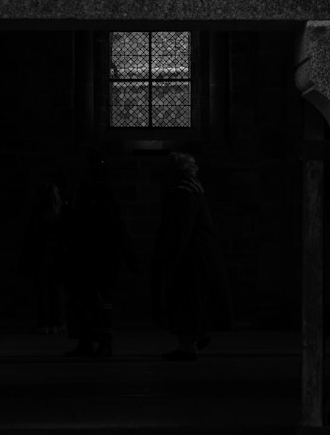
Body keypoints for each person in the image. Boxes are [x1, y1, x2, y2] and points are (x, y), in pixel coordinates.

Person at [153, 150, 233, 360]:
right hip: (196, 254)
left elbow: (180, 229)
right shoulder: (192, 190)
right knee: (193, 300)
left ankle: (188, 344)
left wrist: (170, 258)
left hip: (190, 257)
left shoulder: (183, 192)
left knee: (186, 300)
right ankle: (194, 337)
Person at [60, 149, 138, 359]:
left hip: (100, 257)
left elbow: (112, 225)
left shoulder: (102, 192)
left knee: (101, 302)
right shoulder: (84, 191)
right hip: (84, 255)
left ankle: (105, 342)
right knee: (82, 301)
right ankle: (85, 342)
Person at [19, 176, 66, 333]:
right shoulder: (61, 212)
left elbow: (32, 234)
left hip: (41, 254)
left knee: (43, 290)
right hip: (57, 254)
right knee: (56, 289)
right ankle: (57, 322)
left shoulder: (39, 212)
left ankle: (44, 323)